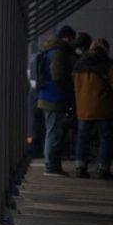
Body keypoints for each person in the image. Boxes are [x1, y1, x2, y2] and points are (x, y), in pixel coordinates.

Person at [37, 25, 76, 176]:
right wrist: (67, 90)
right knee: (54, 132)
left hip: (47, 96)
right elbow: (58, 76)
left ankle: (52, 165)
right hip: (54, 97)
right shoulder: (58, 52)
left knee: (52, 131)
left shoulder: (49, 50)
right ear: (66, 37)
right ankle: (51, 166)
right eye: (71, 39)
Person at [72, 38, 113, 179]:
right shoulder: (107, 64)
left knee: (83, 138)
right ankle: (103, 168)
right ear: (105, 49)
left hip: (83, 108)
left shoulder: (79, 64)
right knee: (105, 138)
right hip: (104, 107)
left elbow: (74, 85)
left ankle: (80, 167)